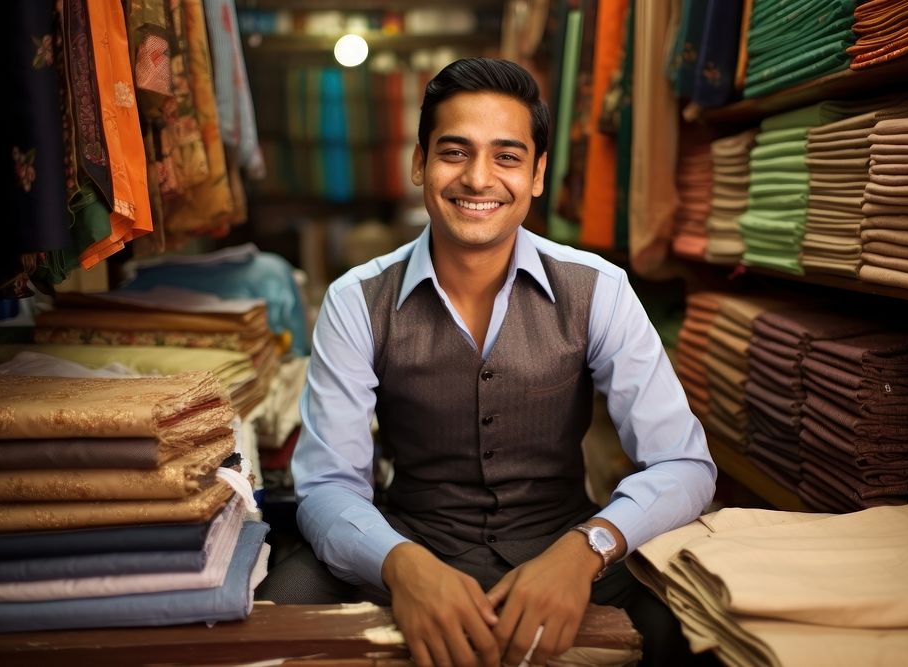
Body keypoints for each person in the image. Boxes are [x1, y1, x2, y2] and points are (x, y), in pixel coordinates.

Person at [270, 57, 717, 667]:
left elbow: (682, 462)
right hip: (410, 542)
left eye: (507, 156)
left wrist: (586, 549)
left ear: (536, 175)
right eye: (454, 152)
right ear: (419, 164)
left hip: (567, 546)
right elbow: (327, 485)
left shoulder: (599, 289)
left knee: (698, 629)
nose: (479, 178)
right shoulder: (357, 299)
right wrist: (403, 566)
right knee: (274, 612)